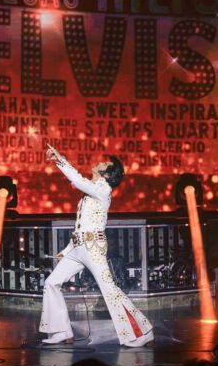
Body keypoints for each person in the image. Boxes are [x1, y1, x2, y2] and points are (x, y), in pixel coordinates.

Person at [39, 144, 153, 347]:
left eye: (104, 163)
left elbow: (77, 180)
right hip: (78, 248)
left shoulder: (103, 189)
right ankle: (61, 331)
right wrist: (67, 251)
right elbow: (81, 225)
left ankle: (141, 333)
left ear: (107, 175)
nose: (99, 162)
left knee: (109, 289)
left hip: (92, 248)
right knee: (51, 283)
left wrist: (60, 159)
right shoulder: (91, 192)